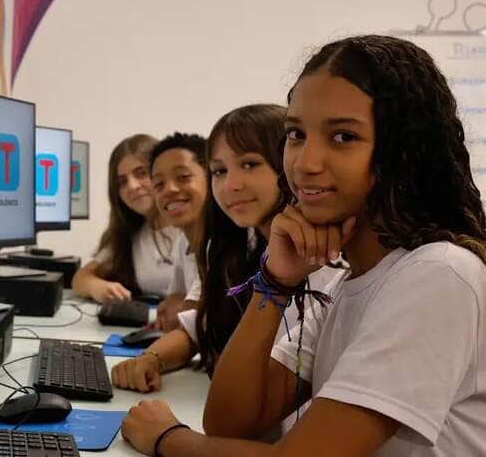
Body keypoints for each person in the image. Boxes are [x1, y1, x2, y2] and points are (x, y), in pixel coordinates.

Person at [121, 35, 486, 457]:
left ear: (405, 150)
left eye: (343, 137)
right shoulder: (340, 284)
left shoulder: (437, 274)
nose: (304, 163)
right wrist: (274, 281)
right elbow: (230, 421)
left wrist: (168, 438)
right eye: (296, 134)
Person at [112, 104, 294, 392]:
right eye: (220, 170)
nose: (231, 184)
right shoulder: (233, 247)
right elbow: (200, 325)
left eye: (249, 164)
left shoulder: (318, 267)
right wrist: (151, 359)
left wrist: (168, 437)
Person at [73, 134, 181, 303]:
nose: (132, 186)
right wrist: (98, 287)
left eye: (141, 173)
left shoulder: (193, 226)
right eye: (122, 181)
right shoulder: (131, 233)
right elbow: (81, 278)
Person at [147, 132, 209, 331]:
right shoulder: (183, 241)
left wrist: (179, 310)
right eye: (159, 184)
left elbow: (185, 317)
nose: (169, 189)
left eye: (183, 177)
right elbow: (172, 301)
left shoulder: (223, 242)